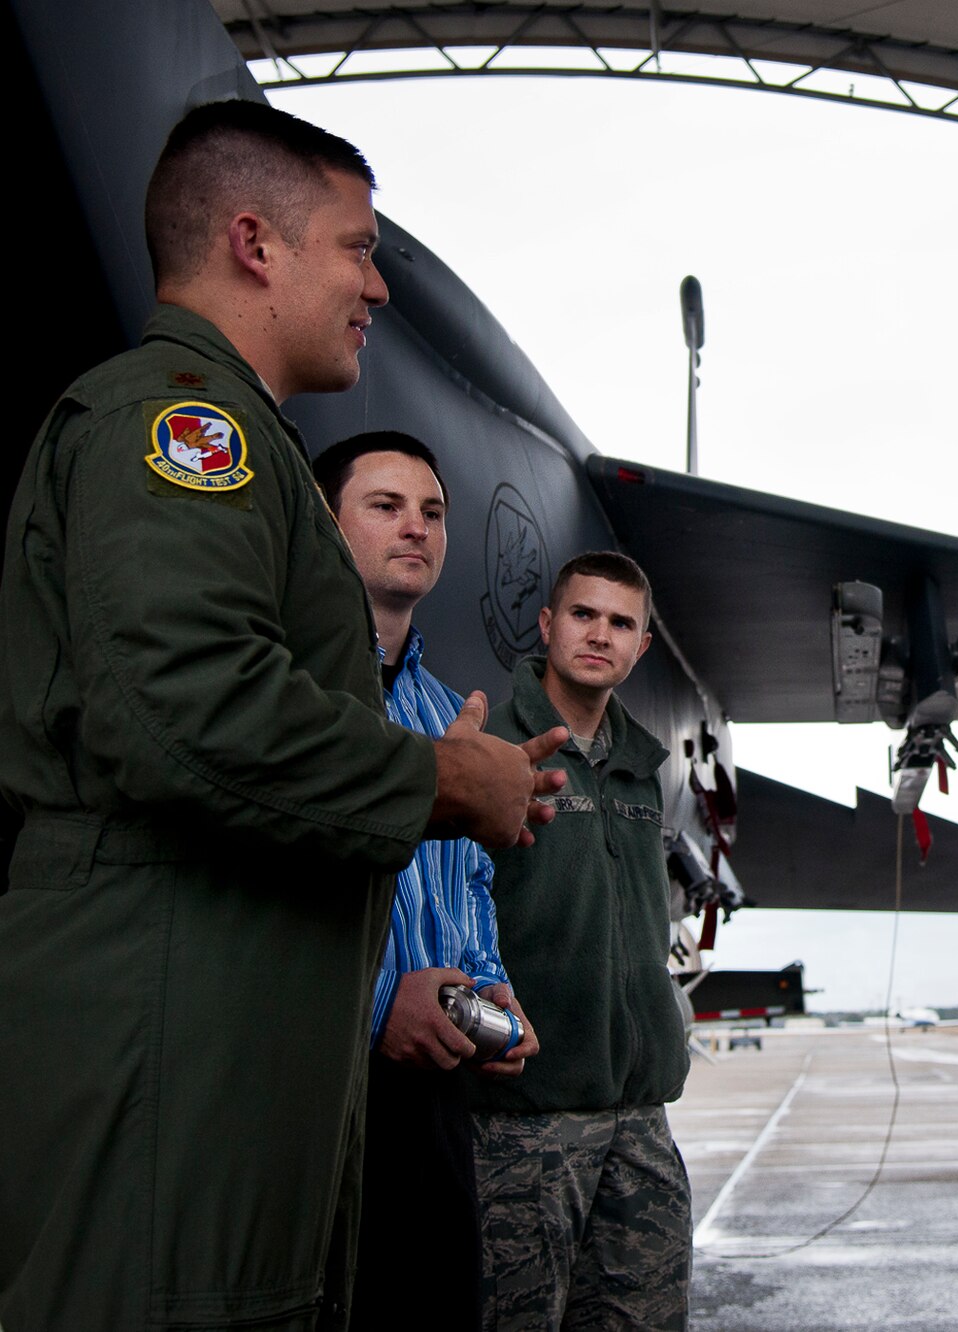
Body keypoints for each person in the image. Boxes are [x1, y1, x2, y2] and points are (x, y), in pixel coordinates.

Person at [0, 100, 564, 1332]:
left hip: (224, 1040)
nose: (375, 284)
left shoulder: (246, 448)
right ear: (257, 244)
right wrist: (438, 784)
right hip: (170, 1042)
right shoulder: (184, 431)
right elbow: (187, 709)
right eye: (356, 248)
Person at [314, 430, 547, 1330]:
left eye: (433, 513)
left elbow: (467, 882)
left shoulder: (450, 714)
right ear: (329, 528)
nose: (416, 527)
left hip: (439, 1099)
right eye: (385, 506)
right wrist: (380, 1005)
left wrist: (490, 983)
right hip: (327, 1088)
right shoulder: (298, 693)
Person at [468, 551, 693, 1331]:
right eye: (584, 615)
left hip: (640, 1118)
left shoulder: (639, 771)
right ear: (548, 624)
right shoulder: (493, 749)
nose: (600, 635)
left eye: (621, 623)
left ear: (642, 648)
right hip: (528, 1122)